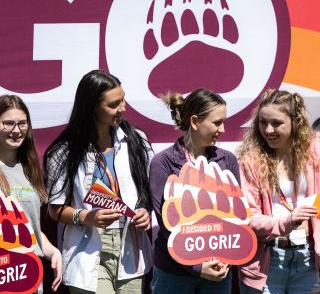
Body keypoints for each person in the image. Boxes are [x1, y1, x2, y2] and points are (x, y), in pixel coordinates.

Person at [44, 70, 153, 294]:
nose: (122, 108)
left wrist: (145, 211)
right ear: (92, 106)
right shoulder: (64, 151)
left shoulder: (136, 141)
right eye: (114, 104)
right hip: (86, 248)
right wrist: (86, 217)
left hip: (130, 246)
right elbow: (55, 209)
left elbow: (150, 191)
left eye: (123, 100)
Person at [149, 88, 240, 294]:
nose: (223, 129)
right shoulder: (163, 162)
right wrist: (196, 267)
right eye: (217, 122)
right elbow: (166, 223)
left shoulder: (227, 160)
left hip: (218, 271)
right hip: (173, 275)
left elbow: (236, 218)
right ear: (195, 121)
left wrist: (226, 260)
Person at [237, 89, 320, 293]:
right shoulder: (251, 160)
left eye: (276, 123)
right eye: (263, 122)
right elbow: (248, 216)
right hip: (268, 260)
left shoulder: (315, 151)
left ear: (295, 122)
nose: (268, 130)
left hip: (309, 260)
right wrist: (286, 221)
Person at [0, 95, 62, 293]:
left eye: (22, 124)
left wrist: (53, 252)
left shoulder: (30, 170)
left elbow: (31, 228)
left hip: (30, 279)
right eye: (8, 123)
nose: (16, 130)